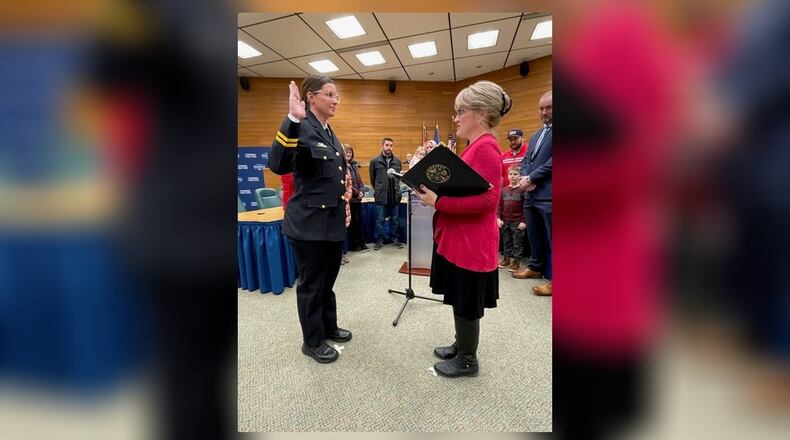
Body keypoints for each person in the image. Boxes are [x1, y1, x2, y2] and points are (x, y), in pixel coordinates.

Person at [416, 80, 511, 378]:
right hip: (462, 239)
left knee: (467, 300)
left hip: (471, 243)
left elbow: (487, 200)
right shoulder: (476, 146)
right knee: (460, 296)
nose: (455, 118)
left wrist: (438, 201)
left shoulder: (485, 149)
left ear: (480, 113)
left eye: (460, 112)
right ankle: (462, 345)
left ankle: (468, 360)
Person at [267, 75, 352, 364]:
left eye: (336, 95)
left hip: (331, 223)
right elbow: (278, 164)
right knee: (312, 285)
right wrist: (291, 117)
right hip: (308, 225)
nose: (335, 100)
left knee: (327, 283)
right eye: (329, 94)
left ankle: (328, 327)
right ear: (311, 97)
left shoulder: (328, 131)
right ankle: (312, 341)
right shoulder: (301, 127)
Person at [512, 90, 552, 297]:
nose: (544, 112)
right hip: (531, 195)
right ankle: (535, 267)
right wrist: (525, 178)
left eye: (548, 108)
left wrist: (532, 178)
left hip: (549, 195)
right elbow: (526, 160)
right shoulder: (537, 134)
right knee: (534, 234)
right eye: (541, 108)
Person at [368, 137, 403, 250]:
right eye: (387, 145)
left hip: (395, 195)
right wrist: (380, 189)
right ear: (382, 146)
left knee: (395, 218)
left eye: (391, 145)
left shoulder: (397, 161)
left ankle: (394, 238)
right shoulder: (374, 161)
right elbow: (372, 180)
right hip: (381, 195)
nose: (389, 147)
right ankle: (380, 239)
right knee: (380, 220)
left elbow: (399, 178)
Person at [497, 165, 527, 272]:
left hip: (517, 222)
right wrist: (498, 218)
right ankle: (506, 259)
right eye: (510, 174)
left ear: (520, 176)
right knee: (506, 241)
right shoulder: (503, 190)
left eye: (515, 174)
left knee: (517, 242)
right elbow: (499, 206)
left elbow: (525, 208)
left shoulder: (522, 190)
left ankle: (516, 262)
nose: (512, 176)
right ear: (507, 176)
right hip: (505, 221)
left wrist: (523, 221)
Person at [344, 144, 367, 252]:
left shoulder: (354, 165)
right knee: (353, 224)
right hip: (351, 200)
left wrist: (362, 192)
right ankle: (355, 245)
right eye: (346, 152)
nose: (348, 154)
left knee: (360, 222)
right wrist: (357, 193)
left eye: (350, 152)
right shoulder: (343, 166)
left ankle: (361, 243)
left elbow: (360, 181)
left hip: (358, 199)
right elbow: (349, 185)